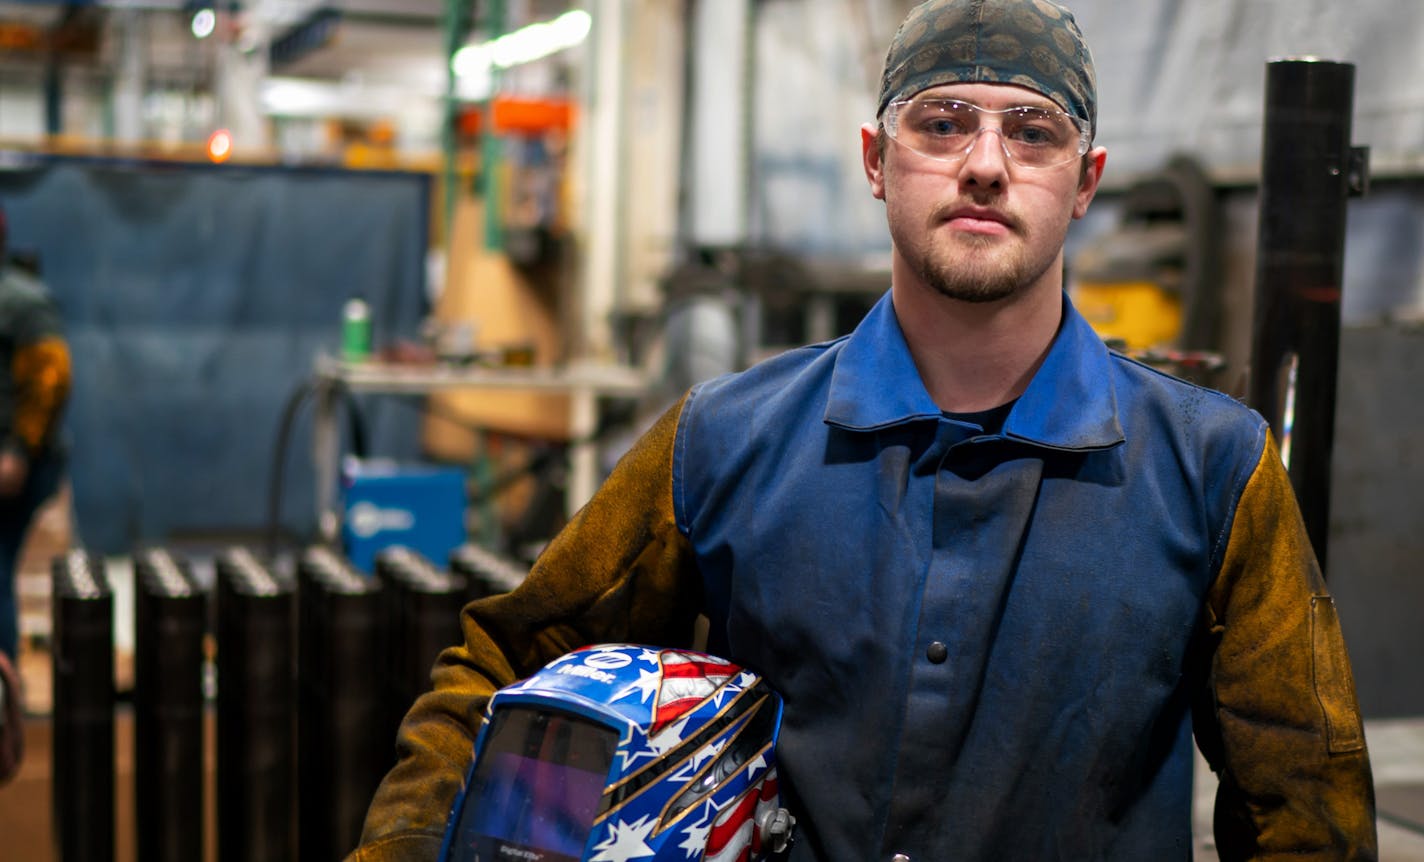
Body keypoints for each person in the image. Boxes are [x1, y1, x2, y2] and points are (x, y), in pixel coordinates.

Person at [351, 1, 1377, 859]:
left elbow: (1304, 800)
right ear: (875, 160)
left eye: (1031, 131)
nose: (984, 164)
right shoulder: (724, 443)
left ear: (1085, 182)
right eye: (940, 124)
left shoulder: (1210, 468)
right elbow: (505, 666)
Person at [0, 203, 71, 691]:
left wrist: (18, 451)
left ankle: (5, 695)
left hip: (20, 466)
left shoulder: (20, 302)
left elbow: (52, 378)